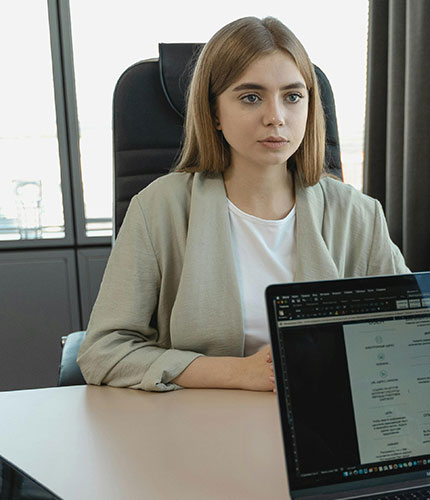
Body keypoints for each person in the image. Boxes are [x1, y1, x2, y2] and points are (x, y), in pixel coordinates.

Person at [77, 16, 408, 392]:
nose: (276, 117)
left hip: (325, 421)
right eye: (251, 97)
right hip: (199, 425)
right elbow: (103, 351)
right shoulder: (159, 208)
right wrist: (241, 373)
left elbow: (413, 331)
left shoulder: (358, 214)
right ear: (214, 112)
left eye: (292, 96)